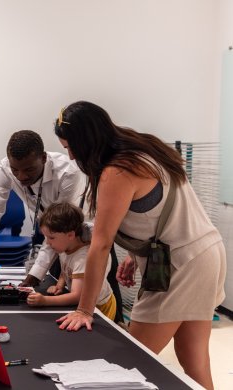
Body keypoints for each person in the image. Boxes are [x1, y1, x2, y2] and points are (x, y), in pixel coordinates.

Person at [54, 101, 225, 390]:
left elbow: (100, 244)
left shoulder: (117, 171)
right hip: (205, 254)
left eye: (71, 148)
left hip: (180, 266)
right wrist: (134, 255)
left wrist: (84, 310)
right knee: (194, 360)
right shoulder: (142, 149)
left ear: (87, 142)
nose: (70, 157)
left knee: (130, 362)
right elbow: (156, 212)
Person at [0, 130, 87, 286]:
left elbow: (61, 227)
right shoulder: (5, 169)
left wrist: (33, 277)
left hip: (84, 240)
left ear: (43, 158)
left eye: (29, 170)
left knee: (96, 301)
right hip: (55, 240)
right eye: (15, 170)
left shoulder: (67, 173)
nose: (21, 177)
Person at [26, 202, 116, 321]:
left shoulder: (83, 259)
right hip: (84, 304)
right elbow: (67, 267)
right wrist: (60, 283)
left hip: (99, 306)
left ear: (70, 235)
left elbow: (77, 296)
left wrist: (45, 300)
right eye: (46, 237)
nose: (47, 242)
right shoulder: (66, 246)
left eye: (51, 237)